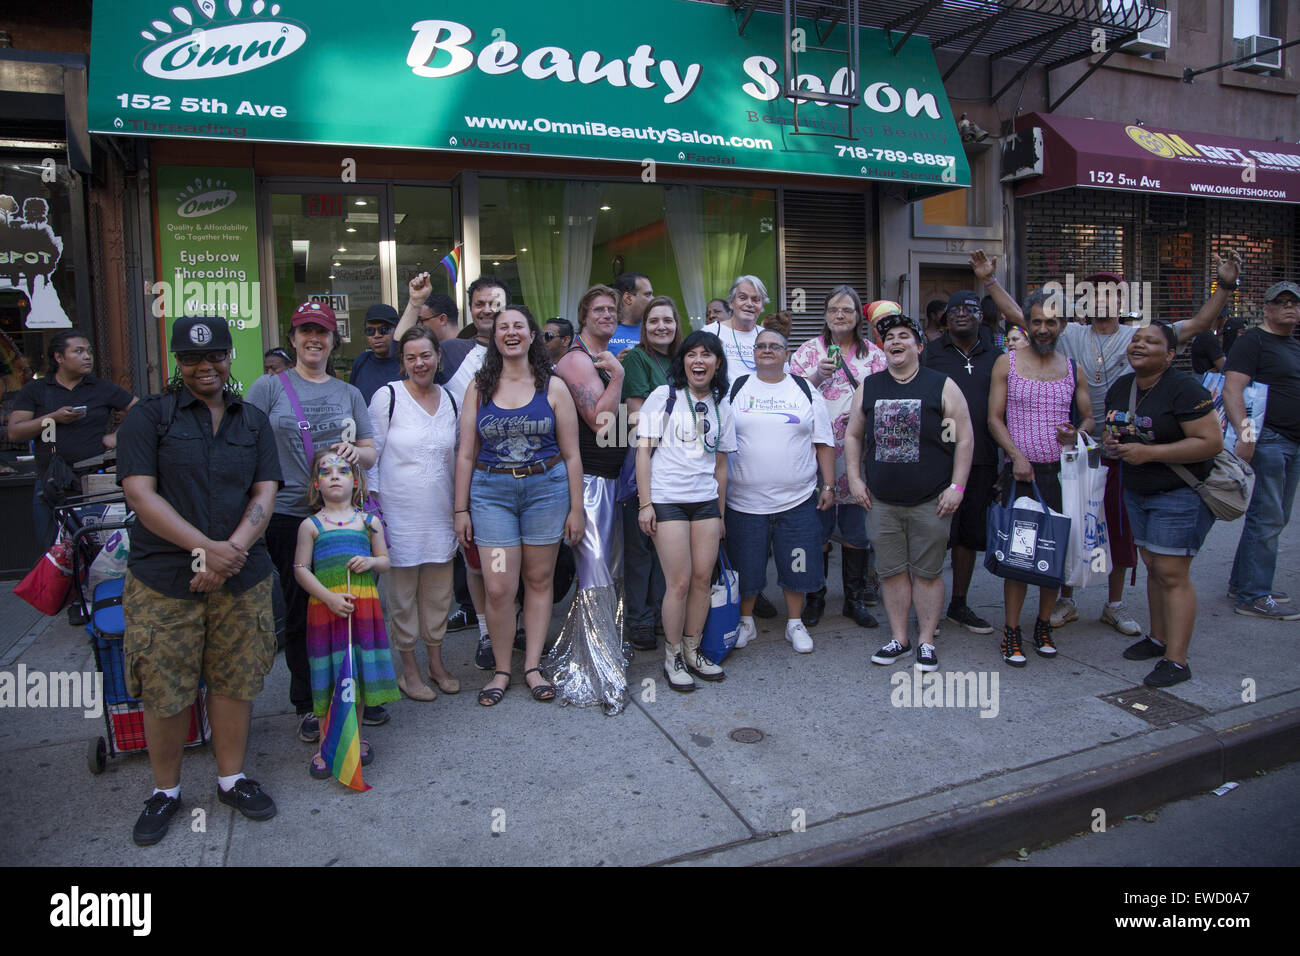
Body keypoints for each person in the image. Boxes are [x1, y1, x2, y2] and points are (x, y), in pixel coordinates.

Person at [976, 248, 1240, 635]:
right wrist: (988, 279)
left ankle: (1113, 604)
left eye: (1111, 293)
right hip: (1072, 453)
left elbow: (1200, 323)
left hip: (1120, 449)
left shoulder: (1141, 337)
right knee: (1064, 528)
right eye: (1093, 294)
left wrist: (1225, 285)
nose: (1102, 299)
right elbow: (1020, 315)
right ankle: (1064, 601)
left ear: (1123, 301)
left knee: (1116, 529)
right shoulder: (1070, 334)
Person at [116, 315, 279, 845]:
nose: (205, 367)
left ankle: (231, 779)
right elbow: (141, 496)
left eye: (215, 357)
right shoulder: (149, 418)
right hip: (165, 578)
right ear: (176, 362)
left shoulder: (252, 420)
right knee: (165, 689)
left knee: (235, 680)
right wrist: (206, 552)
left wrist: (229, 554)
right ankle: (165, 791)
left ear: (231, 357)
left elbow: (264, 493)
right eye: (191, 358)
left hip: (240, 574)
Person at [246, 300, 378, 744]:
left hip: (344, 517)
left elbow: (370, 450)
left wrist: (355, 455)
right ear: (293, 338)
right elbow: (247, 446)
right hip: (289, 515)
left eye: (321, 332)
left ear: (332, 340)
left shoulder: (349, 393)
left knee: (355, 606)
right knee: (304, 612)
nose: (313, 339)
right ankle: (308, 702)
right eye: (304, 331)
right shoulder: (269, 388)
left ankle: (357, 692)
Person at [455, 305, 584, 705]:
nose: (511, 333)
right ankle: (500, 669)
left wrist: (576, 509)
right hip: (492, 496)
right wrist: (460, 509)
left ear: (532, 335)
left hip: (545, 492)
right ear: (495, 338)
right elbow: (464, 454)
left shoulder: (554, 386)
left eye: (519, 327)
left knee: (539, 581)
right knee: (498, 587)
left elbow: (572, 454)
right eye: (503, 327)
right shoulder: (479, 387)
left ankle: (531, 666)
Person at [846, 314, 973, 674]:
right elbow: (853, 435)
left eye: (904, 336)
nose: (895, 341)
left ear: (919, 346)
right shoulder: (869, 387)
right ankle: (899, 638)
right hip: (882, 502)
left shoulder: (942, 385)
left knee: (928, 573)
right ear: (883, 347)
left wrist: (957, 487)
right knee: (891, 572)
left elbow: (965, 439)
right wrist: (854, 479)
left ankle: (926, 640)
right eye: (889, 337)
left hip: (931, 500)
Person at [395, 272, 508, 665]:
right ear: (471, 309)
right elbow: (406, 346)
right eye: (480, 303)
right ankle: (484, 631)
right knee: (478, 564)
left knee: (518, 561)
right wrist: (414, 303)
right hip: (473, 478)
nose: (489, 310)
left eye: (496, 303)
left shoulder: (520, 349)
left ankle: (511, 626)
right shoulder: (455, 350)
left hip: (520, 476)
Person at [1102, 323, 1221, 685]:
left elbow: (1210, 441)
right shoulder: (1121, 387)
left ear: (1170, 355)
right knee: (1154, 567)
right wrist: (1111, 442)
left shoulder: (1185, 390)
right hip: (1137, 491)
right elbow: (1115, 429)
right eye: (1136, 340)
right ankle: (1157, 638)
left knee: (1172, 572)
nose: (1139, 345)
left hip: (1178, 493)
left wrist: (1150, 452)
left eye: (1151, 342)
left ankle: (1177, 661)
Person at [988, 291, 1094, 666]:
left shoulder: (1073, 367)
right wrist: (1016, 456)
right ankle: (1012, 631)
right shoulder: (1007, 363)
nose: (1044, 329)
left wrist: (1077, 433)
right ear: (1026, 325)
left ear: (1062, 325)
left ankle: (1043, 625)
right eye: (1037, 322)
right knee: (1019, 558)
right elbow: (994, 419)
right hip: (1022, 475)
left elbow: (1089, 417)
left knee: (1054, 554)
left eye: (1051, 322)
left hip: (1061, 476)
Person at [726, 328, 835, 654]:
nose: (767, 350)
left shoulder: (803, 389)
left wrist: (828, 485)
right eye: (761, 346)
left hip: (797, 499)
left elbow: (823, 441)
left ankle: (794, 623)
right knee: (746, 565)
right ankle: (746, 622)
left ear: (786, 354)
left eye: (775, 346)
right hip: (743, 501)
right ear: (754, 353)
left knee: (797, 564)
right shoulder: (737, 387)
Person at [636, 330, 735, 690]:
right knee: (677, 582)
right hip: (667, 500)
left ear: (717, 363)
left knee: (701, 580)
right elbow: (643, 453)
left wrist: (721, 514)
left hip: (706, 503)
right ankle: (673, 655)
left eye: (707, 355)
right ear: (683, 361)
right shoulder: (664, 397)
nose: (699, 361)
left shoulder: (722, 405)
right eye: (692, 354)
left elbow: (721, 466)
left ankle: (694, 651)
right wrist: (645, 504)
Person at [367, 327, 462, 701]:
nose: (419, 363)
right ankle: (409, 670)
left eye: (425, 355)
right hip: (398, 518)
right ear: (402, 362)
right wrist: (376, 516)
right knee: (402, 599)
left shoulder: (452, 400)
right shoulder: (387, 397)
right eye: (411, 357)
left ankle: (436, 664)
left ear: (438, 356)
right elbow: (370, 458)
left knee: (439, 597)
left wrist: (460, 509)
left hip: (439, 516)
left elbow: (457, 460)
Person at [549, 284, 631, 714]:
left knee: (610, 571)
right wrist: (616, 376)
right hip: (591, 482)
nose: (606, 315)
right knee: (596, 572)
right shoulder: (577, 359)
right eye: (598, 309)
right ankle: (600, 674)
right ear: (583, 316)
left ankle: (605, 653)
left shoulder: (604, 353)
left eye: (612, 309)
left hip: (613, 478)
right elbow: (600, 420)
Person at [294, 448, 397, 778]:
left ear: (356, 482)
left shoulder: (369, 522)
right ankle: (327, 740)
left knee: (358, 670)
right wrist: (327, 598)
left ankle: (355, 735)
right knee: (328, 672)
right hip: (326, 610)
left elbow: (385, 561)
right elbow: (299, 568)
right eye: (326, 471)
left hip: (362, 609)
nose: (334, 475)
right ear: (316, 484)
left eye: (342, 470)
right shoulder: (310, 526)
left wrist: (370, 562)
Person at [789, 285, 887, 630]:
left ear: (858, 315)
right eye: (833, 310)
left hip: (859, 455)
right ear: (826, 315)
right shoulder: (806, 352)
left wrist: (864, 416)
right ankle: (815, 597)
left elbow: (886, 397)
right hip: (817, 456)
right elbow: (791, 397)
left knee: (856, 531)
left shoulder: (874, 355)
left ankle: (854, 600)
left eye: (847, 310)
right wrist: (818, 375)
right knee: (818, 531)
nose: (840, 315)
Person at [920, 289, 1004, 635]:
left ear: (981, 316)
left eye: (969, 308)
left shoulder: (997, 356)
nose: (960, 314)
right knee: (935, 535)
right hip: (939, 457)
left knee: (968, 536)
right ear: (945, 317)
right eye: (953, 309)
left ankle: (959, 603)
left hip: (981, 457)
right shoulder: (931, 354)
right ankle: (928, 610)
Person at [9, 330, 137, 545]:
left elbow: (142, 411)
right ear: (59, 357)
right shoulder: (37, 390)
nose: (87, 357)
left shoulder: (100, 387)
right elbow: (15, 432)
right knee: (54, 551)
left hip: (95, 483)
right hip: (51, 484)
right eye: (78, 351)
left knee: (98, 550)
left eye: (88, 352)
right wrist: (53, 418)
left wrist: (117, 436)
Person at [1227, 279, 1300, 619]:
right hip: (1269, 438)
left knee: (1274, 516)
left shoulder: (1292, 344)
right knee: (1268, 518)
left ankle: (1244, 582)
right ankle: (1254, 595)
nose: (1290, 307)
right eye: (1282, 301)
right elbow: (1232, 390)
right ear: (1267, 307)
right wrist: (1247, 435)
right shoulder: (1254, 341)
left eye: (1295, 302)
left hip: (1291, 442)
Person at [619, 296, 681, 651]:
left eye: (668, 321)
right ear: (644, 327)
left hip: (678, 469)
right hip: (647, 462)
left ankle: (661, 614)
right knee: (641, 546)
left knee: (666, 548)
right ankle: (640, 620)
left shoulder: (685, 358)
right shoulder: (640, 359)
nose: (661, 327)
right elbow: (634, 418)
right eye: (654, 321)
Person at [703, 275, 768, 375]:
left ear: (762, 306)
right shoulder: (710, 332)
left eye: (756, 299)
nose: (749, 304)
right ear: (731, 303)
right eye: (742, 298)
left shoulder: (768, 337)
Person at [349, 303, 403, 405]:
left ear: (396, 330)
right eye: (370, 331)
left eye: (383, 330)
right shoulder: (361, 361)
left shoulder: (407, 363)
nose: (377, 335)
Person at [609, 272, 653, 356]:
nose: (653, 299)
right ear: (628, 298)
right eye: (648, 295)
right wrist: (615, 364)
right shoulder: (603, 329)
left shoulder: (653, 329)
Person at [1189, 308, 1230, 375]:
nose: (1226, 320)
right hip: (1207, 382)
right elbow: (1224, 369)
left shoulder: (1202, 333)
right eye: (1226, 317)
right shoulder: (1208, 337)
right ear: (1221, 318)